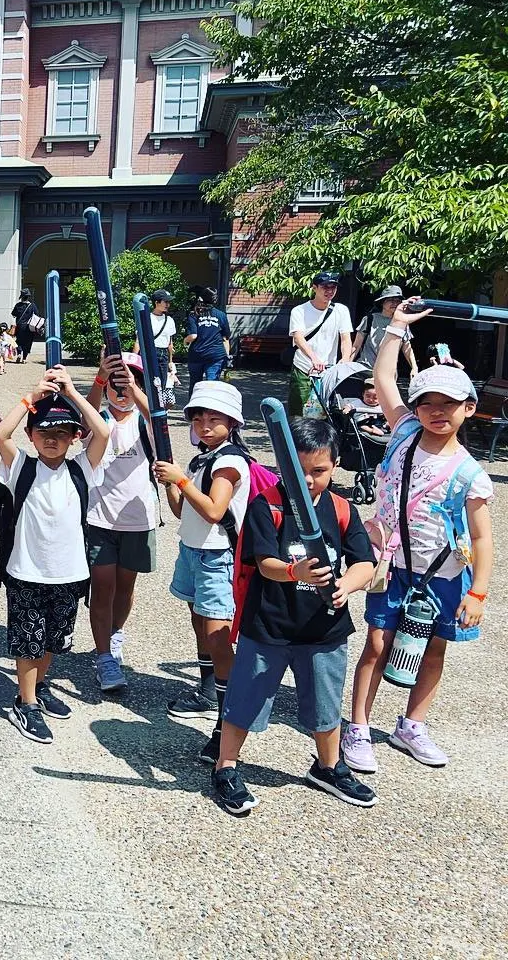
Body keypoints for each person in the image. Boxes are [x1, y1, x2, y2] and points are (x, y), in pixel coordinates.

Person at [342, 300, 493, 772]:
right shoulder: (404, 431)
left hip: (444, 574)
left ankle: (413, 724)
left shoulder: (471, 473)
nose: (435, 412)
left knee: (433, 648)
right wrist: (394, 329)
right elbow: (385, 380)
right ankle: (358, 727)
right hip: (392, 565)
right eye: (427, 403)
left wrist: (480, 591)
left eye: (448, 404)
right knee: (377, 644)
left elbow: (483, 538)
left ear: (468, 408)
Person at [212, 417, 378, 815]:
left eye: (318, 471)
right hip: (269, 624)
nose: (306, 479)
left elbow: (365, 563)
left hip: (324, 629)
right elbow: (264, 561)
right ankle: (225, 766)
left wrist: (346, 585)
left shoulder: (341, 509)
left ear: (335, 464)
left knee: (325, 703)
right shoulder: (265, 503)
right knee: (246, 698)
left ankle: (328, 766)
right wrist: (294, 572)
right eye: (296, 470)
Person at [0, 370, 111, 744]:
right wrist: (31, 397)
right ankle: (25, 703)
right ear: (31, 435)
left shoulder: (81, 470)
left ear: (75, 437)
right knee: (28, 641)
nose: (51, 439)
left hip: (69, 573)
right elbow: (0, 433)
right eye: (43, 432)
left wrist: (74, 394)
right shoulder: (21, 468)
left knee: (52, 640)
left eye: (61, 433)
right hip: (26, 571)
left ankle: (39, 687)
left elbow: (104, 433)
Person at [152, 380, 251, 765]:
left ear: (232, 422)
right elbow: (183, 512)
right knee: (200, 624)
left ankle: (226, 721)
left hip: (218, 556)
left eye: (215, 419)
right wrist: (171, 483)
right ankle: (208, 689)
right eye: (198, 419)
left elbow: (213, 510)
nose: (205, 425)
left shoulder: (229, 462)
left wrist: (178, 478)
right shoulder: (201, 460)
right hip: (193, 550)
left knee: (217, 634)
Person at [83, 352, 156, 692]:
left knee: (125, 589)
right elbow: (82, 424)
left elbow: (159, 420)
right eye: (117, 384)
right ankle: (103, 658)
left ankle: (114, 636)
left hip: (138, 519)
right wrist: (101, 377)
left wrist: (133, 384)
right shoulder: (100, 419)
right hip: (98, 517)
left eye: (129, 382)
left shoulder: (145, 421)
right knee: (102, 588)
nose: (122, 389)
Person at [287, 271, 353, 417]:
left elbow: (346, 338)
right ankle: (296, 439)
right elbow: (298, 338)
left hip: (328, 372)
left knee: (325, 413)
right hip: (304, 368)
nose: (329, 291)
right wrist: (314, 358)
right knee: (300, 412)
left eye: (333, 287)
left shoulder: (341, 310)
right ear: (314, 288)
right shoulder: (299, 311)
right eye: (325, 287)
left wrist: (346, 358)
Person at [350, 284, 419, 378]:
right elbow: (356, 346)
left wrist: (414, 368)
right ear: (382, 302)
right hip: (366, 369)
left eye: (397, 300)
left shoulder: (402, 322)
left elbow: (407, 348)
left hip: (388, 373)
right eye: (390, 300)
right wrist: (347, 365)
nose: (395, 303)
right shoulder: (370, 319)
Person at [183, 286, 231, 391]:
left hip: (197, 355)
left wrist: (185, 341)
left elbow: (193, 336)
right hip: (216, 355)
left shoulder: (194, 314)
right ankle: (210, 407)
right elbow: (225, 338)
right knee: (212, 385)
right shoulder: (221, 315)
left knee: (195, 385)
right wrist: (227, 357)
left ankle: (194, 406)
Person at [148, 289, 177, 407]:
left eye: (168, 302)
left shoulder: (169, 320)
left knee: (162, 383)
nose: (167, 305)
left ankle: (159, 409)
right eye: (165, 302)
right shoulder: (147, 318)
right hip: (150, 351)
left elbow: (170, 343)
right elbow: (139, 340)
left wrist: (171, 362)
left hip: (163, 353)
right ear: (156, 302)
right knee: (149, 382)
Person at [11, 288, 39, 363]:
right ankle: (24, 358)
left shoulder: (18, 305)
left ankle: (19, 353)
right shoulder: (32, 305)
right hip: (29, 327)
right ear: (28, 297)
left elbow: (13, 314)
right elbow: (37, 315)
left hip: (20, 326)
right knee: (28, 342)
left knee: (18, 341)